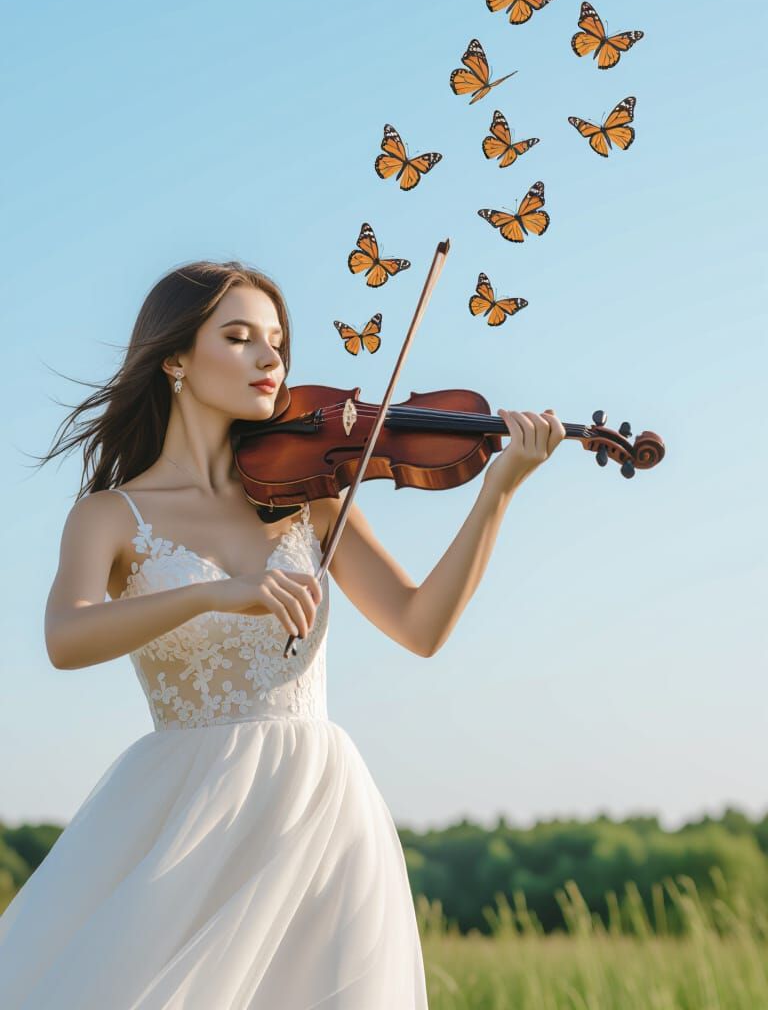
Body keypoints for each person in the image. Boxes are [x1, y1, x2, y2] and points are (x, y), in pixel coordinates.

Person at [0, 258, 565, 1008]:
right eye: (239, 337)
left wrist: (497, 491)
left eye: (277, 342)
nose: (270, 359)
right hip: (188, 812)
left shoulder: (311, 498)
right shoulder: (110, 515)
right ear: (174, 359)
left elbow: (420, 625)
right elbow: (65, 638)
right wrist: (213, 594)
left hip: (317, 804)